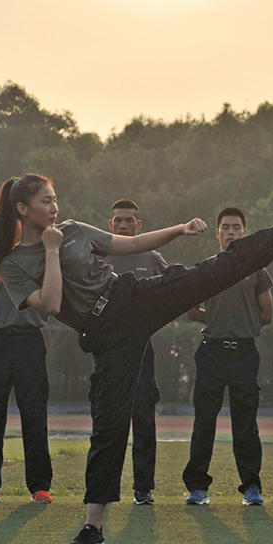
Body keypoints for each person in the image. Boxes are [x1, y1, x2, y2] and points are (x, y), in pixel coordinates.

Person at [0, 174, 273, 544]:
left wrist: (180, 229)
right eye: (45, 202)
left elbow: (133, 243)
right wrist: (51, 251)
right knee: (108, 426)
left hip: (130, 297)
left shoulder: (73, 229)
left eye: (55, 199)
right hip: (104, 334)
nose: (55, 208)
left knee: (215, 271)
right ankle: (93, 529)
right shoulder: (12, 263)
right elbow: (53, 304)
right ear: (22, 209)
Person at [181, 207, 273, 506]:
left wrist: (239, 324)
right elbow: (191, 309)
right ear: (218, 232)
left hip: (244, 353)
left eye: (236, 227)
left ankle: (251, 488)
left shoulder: (257, 268)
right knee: (204, 421)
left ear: (244, 231)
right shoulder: (207, 267)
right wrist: (218, 320)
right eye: (225, 227)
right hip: (211, 352)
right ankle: (197, 487)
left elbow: (267, 313)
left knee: (245, 423)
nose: (231, 231)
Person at [0, 253, 53, 505]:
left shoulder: (44, 257)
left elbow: (57, 296)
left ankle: (39, 487)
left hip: (31, 339)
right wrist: (0, 313)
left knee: (34, 414)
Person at [103, 199, 168, 506]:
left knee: (143, 419)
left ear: (139, 225)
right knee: (107, 421)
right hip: (108, 350)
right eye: (119, 221)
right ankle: (104, 487)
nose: (124, 225)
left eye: (130, 220)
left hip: (143, 350)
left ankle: (143, 489)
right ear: (110, 225)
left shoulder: (152, 257)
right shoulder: (100, 256)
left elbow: (174, 291)